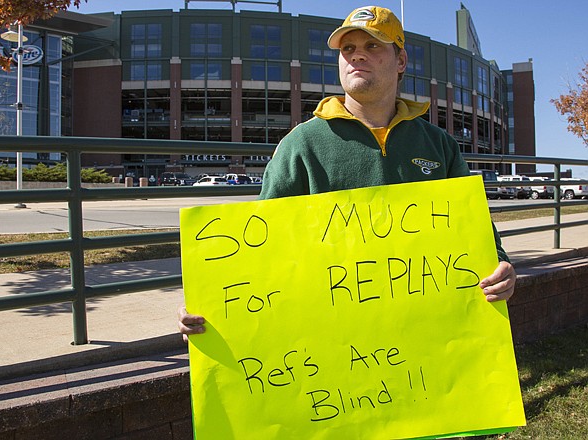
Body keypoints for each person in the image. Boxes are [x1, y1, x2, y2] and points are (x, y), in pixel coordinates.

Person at [179, 5, 516, 340]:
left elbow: (474, 228)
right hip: (336, 343)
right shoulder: (301, 144)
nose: (357, 56)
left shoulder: (439, 145)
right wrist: (210, 303)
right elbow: (260, 245)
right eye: (348, 49)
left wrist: (499, 264)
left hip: (424, 334)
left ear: (401, 61)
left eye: (373, 46)